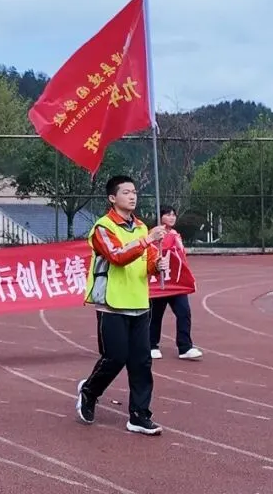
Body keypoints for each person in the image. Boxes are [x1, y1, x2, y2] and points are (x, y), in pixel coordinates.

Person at [75, 175, 168, 436]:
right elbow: (116, 257)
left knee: (141, 362)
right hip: (112, 304)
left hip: (139, 302)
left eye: (135, 191)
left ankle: (139, 415)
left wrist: (156, 265)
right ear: (112, 198)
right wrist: (147, 240)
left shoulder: (140, 227)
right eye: (126, 192)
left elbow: (146, 264)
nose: (132, 196)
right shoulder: (102, 228)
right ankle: (89, 392)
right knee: (114, 358)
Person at [148, 206, 202, 361]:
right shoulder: (154, 234)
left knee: (184, 312)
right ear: (160, 217)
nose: (172, 217)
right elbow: (157, 251)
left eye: (173, 215)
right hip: (160, 282)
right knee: (156, 315)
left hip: (176, 282)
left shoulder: (175, 234)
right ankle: (152, 345)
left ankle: (185, 347)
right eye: (167, 215)